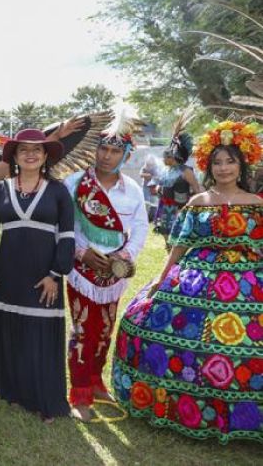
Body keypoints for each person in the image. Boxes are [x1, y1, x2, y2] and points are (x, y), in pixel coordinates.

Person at [113, 120, 263, 443]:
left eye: (230, 161)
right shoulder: (198, 203)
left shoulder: (257, 205)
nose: (223, 168)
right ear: (209, 166)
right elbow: (180, 245)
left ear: (242, 164)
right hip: (196, 276)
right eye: (217, 162)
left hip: (248, 280)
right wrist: (161, 279)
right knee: (145, 323)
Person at [0, 128, 75, 422]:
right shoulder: (0, 190)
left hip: (42, 276)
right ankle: (12, 391)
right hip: (6, 275)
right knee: (11, 330)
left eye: (37, 150)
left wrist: (55, 274)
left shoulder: (58, 191)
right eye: (23, 150)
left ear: (45, 156)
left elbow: (67, 236)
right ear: (15, 156)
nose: (30, 154)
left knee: (38, 334)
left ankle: (44, 399)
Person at [63, 110, 149, 422]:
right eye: (103, 148)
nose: (107, 156)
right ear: (95, 149)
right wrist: (81, 251)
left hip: (115, 273)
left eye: (115, 151)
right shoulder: (75, 183)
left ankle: (97, 381)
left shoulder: (134, 191)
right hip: (82, 271)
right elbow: (65, 225)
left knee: (105, 330)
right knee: (84, 330)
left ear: (125, 154)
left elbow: (140, 227)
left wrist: (125, 257)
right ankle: (80, 392)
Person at [153, 124, 201, 243]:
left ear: (173, 157)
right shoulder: (166, 170)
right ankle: (169, 253)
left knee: (178, 237)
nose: (163, 159)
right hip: (166, 208)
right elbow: (162, 185)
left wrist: (196, 208)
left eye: (166, 156)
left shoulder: (186, 171)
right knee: (165, 233)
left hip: (181, 208)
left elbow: (197, 189)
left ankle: (176, 257)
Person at [139, 155, 160, 221]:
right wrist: (147, 175)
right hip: (146, 187)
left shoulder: (155, 168)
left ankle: (153, 217)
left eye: (150, 164)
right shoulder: (144, 168)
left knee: (154, 202)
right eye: (148, 163)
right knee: (146, 202)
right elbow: (141, 174)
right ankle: (145, 216)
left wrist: (150, 176)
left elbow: (157, 177)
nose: (149, 165)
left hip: (153, 187)